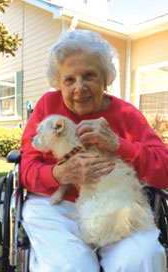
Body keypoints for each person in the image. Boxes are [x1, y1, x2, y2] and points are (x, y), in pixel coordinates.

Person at [20, 29, 168, 272]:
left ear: (105, 79)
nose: (79, 87)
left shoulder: (126, 114)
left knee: (142, 257)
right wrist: (60, 174)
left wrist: (119, 144)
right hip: (55, 205)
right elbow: (27, 169)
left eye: (89, 76)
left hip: (116, 201)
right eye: (69, 79)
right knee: (71, 266)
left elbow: (164, 169)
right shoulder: (48, 105)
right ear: (59, 82)